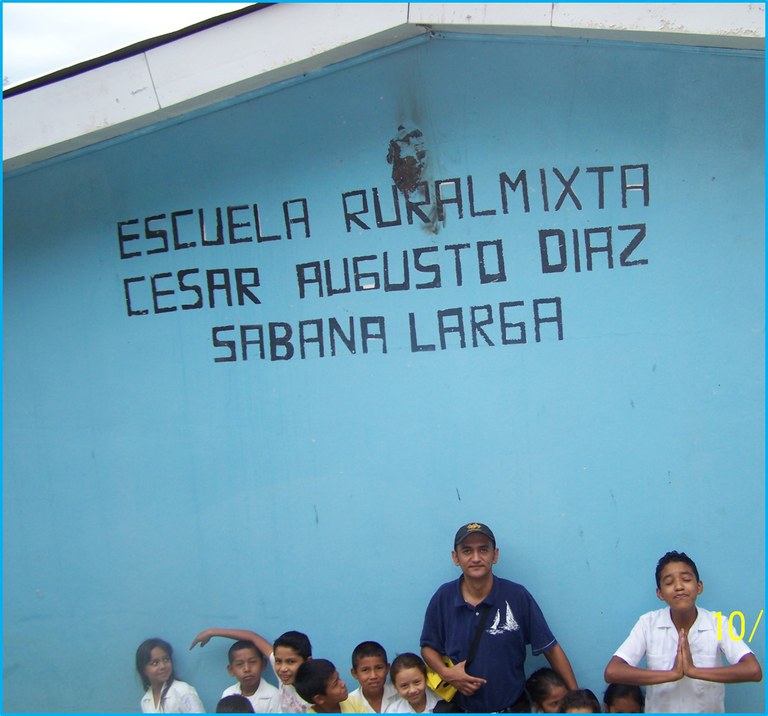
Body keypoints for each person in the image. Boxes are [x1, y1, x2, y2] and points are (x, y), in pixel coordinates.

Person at [420, 522, 578, 712]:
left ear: (495, 555)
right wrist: (446, 673)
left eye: (483, 550)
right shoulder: (443, 597)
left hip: (512, 708)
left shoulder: (517, 596)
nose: (476, 558)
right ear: (456, 557)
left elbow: (550, 648)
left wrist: (576, 698)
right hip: (462, 709)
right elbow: (428, 647)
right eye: (467, 551)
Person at [603, 550, 763, 712]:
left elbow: (753, 670)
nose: (679, 587)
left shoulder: (719, 623)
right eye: (669, 582)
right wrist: (672, 674)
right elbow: (612, 671)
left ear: (699, 586)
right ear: (660, 594)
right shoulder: (648, 624)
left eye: (686, 579)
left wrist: (694, 671)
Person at [191, 626, 313, 712]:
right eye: (278, 661)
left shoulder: (314, 693)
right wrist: (212, 632)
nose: (283, 668)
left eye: (291, 662)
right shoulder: (284, 675)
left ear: (307, 662)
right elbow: (252, 637)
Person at [136, 638, 205, 713]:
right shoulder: (146, 701)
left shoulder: (182, 691)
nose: (162, 666)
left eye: (166, 659)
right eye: (155, 663)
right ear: (143, 669)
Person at [219, 639, 279, 712]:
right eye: (239, 664)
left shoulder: (274, 696)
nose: (247, 669)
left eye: (252, 662)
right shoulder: (228, 694)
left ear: (263, 664)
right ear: (231, 670)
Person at [294, 658, 364, 713]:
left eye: (338, 678)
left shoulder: (354, 702)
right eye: (335, 684)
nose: (343, 684)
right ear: (319, 699)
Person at [347, 641, 400, 712]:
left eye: (379, 668)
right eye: (365, 670)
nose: (373, 676)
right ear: (354, 673)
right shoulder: (349, 702)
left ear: (387, 668)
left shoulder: (400, 694)